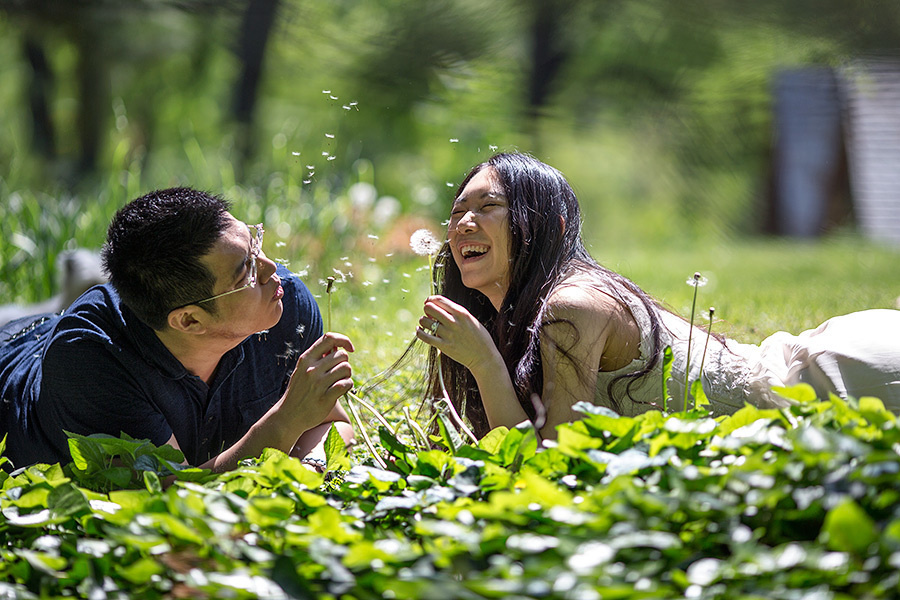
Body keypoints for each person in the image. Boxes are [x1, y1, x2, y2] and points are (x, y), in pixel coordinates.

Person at [415, 152, 900, 440]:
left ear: (550, 227)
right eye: (457, 211)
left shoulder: (572, 306)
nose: (464, 223)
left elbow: (552, 466)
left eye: (489, 206)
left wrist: (485, 364)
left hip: (835, 386)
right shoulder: (515, 318)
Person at [0, 188, 354, 472]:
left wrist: (311, 466)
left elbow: (329, 422)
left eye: (255, 244)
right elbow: (177, 496)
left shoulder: (284, 306)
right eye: (246, 270)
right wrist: (283, 423)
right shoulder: (91, 365)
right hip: (16, 349)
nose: (270, 268)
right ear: (190, 321)